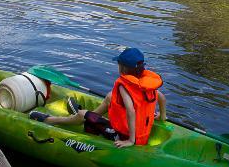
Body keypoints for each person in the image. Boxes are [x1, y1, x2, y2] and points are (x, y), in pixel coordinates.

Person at [30, 47, 166, 148]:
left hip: (123, 135)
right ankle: (92, 115)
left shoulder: (124, 86)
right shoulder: (147, 86)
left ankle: (51, 120)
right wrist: (162, 116)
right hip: (142, 133)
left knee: (82, 114)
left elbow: (130, 110)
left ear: (123, 68)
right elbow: (161, 97)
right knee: (110, 97)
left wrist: (130, 140)